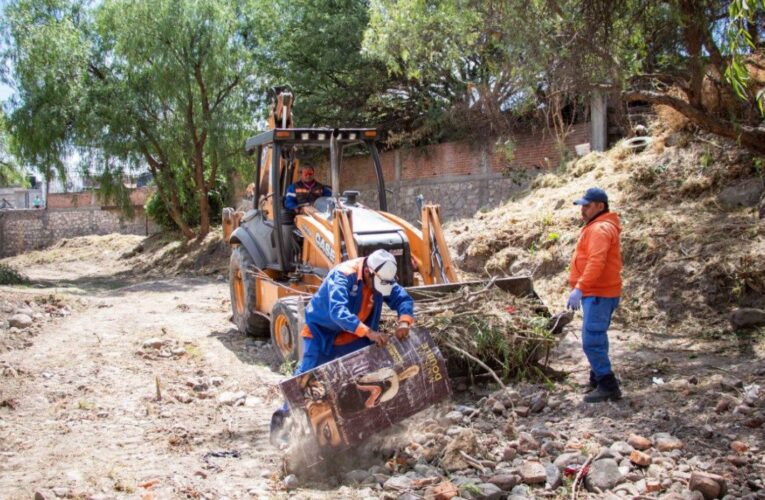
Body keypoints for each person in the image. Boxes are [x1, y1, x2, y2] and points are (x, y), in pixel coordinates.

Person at [270, 249, 415, 442]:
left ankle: (361, 431)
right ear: (368, 273)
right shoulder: (342, 275)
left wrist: (404, 322)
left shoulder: (383, 276)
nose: (377, 290)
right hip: (322, 335)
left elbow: (403, 299)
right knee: (305, 380)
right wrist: (369, 332)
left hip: (355, 338)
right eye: (375, 285)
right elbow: (338, 312)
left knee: (360, 381)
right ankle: (283, 427)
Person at [567, 187, 623, 403]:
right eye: (582, 205)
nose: (583, 210)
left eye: (587, 206)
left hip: (598, 293)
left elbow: (596, 262)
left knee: (591, 340)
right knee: (597, 336)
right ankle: (596, 376)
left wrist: (580, 287)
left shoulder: (600, 229)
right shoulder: (598, 226)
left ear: (600, 206)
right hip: (597, 293)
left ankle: (608, 385)